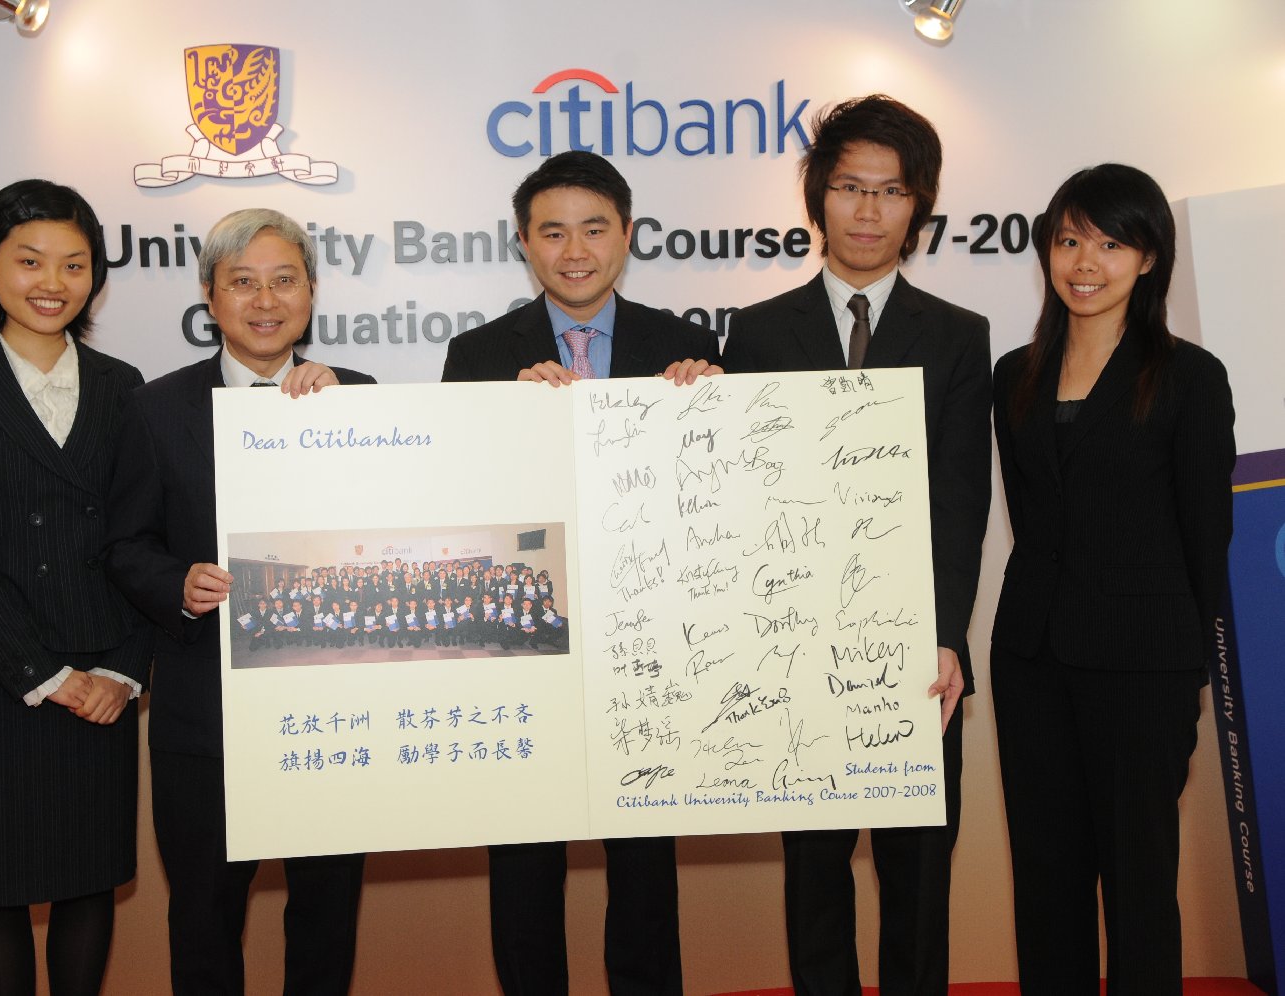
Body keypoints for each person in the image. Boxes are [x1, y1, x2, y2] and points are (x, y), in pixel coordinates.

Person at [724, 94, 991, 996]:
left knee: (919, 876)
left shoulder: (959, 337)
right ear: (817, 197)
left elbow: (961, 501)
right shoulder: (756, 333)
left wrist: (947, 635)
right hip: (800, 652)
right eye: (849, 188)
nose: (869, 211)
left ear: (918, 208)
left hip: (916, 656)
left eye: (891, 192)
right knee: (814, 875)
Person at [442, 149, 721, 996]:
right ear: (523, 243)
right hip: (526, 650)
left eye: (594, 228)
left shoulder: (688, 348)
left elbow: (721, 510)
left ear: (627, 235)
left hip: (648, 652)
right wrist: (508, 424)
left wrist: (711, 412)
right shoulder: (479, 355)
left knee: (645, 870)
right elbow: (460, 513)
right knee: (524, 868)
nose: (574, 249)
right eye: (552, 231)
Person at [104, 208, 374, 995]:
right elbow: (124, 545)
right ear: (210, 298)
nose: (265, 300)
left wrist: (342, 425)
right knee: (205, 920)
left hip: (330, 715)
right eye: (243, 282)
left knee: (325, 916)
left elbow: (390, 532)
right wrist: (177, 587)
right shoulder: (155, 408)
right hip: (204, 720)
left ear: (312, 293)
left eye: (284, 280)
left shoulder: (357, 397)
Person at [991, 164, 1234, 996]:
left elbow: (1209, 537)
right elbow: (1032, 522)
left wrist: (1183, 673)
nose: (1084, 262)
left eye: (1109, 242)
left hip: (1142, 667)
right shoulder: (1012, 374)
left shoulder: (1189, 377)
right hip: (1030, 660)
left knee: (1137, 889)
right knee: (1047, 885)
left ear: (1148, 259)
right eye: (1067, 240)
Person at [0, 178, 150, 996]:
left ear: (96, 277)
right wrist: (43, 676)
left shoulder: (124, 386)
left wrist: (121, 673)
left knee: (88, 881)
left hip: (102, 684)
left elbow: (143, 541)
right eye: (29, 261)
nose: (52, 282)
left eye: (74, 264)